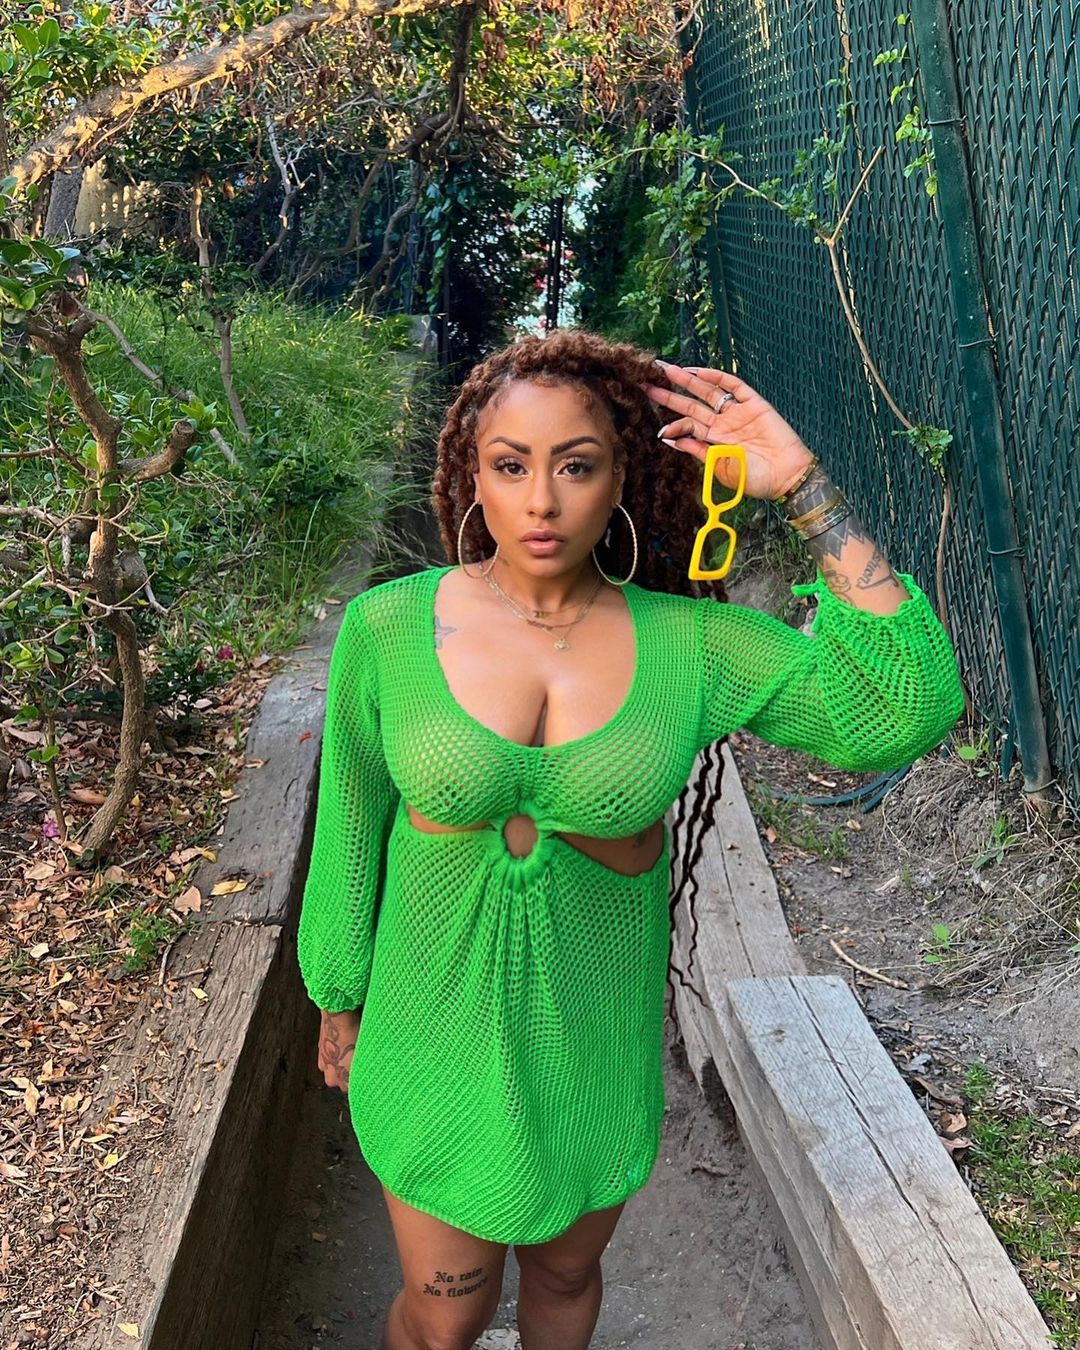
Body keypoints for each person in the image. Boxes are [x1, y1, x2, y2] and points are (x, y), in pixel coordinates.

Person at [297, 329, 964, 1350]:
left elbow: (901, 706)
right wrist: (337, 995)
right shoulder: (387, 628)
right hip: (429, 1032)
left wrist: (803, 489)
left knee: (566, 1279)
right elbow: (350, 821)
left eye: (577, 466)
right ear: (471, 475)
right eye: (511, 466)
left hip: (590, 1041)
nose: (542, 500)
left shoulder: (688, 642)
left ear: (621, 478)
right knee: (446, 1313)